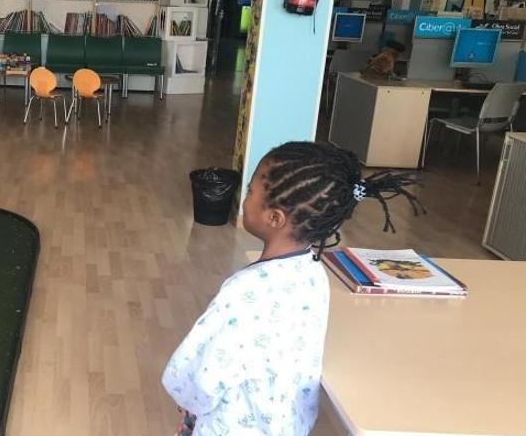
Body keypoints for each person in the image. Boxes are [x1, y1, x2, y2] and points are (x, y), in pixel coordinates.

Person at [162, 141, 424, 436]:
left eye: (250, 192)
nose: (244, 199)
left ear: (275, 217)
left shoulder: (246, 290)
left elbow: (206, 374)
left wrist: (187, 402)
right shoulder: (312, 273)